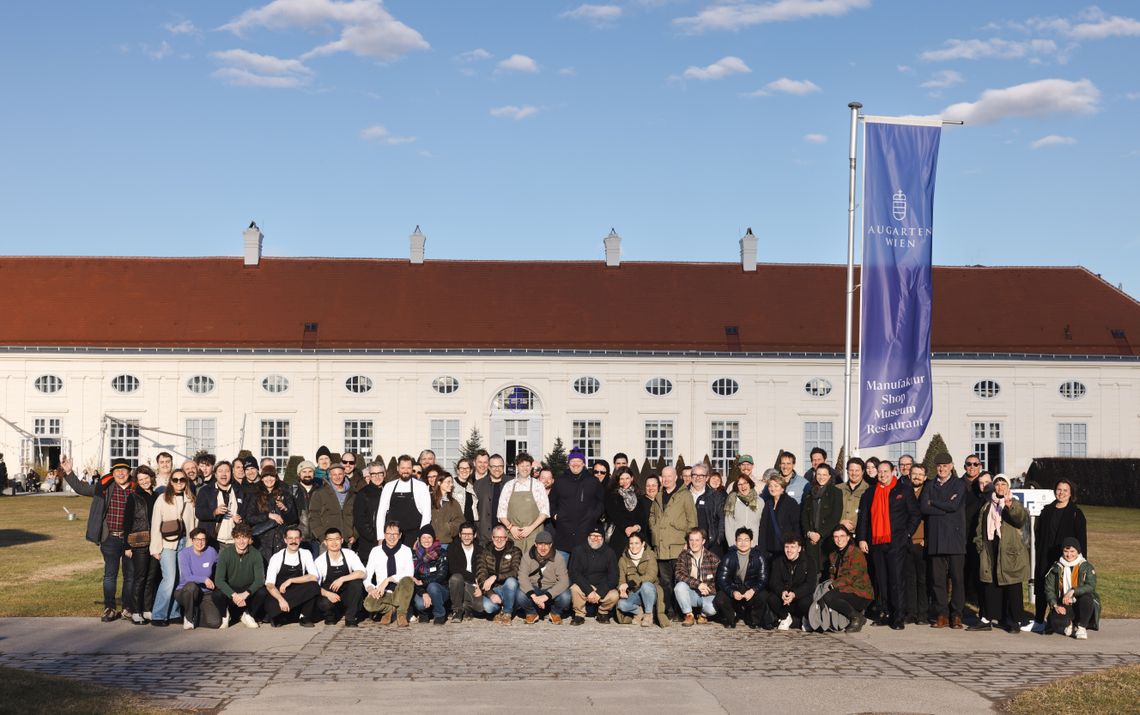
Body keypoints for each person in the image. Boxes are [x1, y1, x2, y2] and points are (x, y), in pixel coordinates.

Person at [61, 455, 136, 622]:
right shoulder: (105, 487)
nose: (121, 473)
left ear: (129, 472)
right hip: (110, 538)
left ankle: (127, 608)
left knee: (130, 575)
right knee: (110, 574)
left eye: (124, 470)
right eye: (117, 470)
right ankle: (109, 608)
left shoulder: (136, 488)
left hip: (130, 540)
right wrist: (69, 472)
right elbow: (81, 488)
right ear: (113, 473)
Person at [856, 460, 919, 630]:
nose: (882, 474)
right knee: (881, 580)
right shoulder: (869, 493)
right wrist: (862, 538)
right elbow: (863, 519)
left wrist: (907, 534)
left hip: (896, 542)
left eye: (885, 471)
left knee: (896, 580)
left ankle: (898, 615)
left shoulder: (903, 490)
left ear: (893, 471)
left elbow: (915, 514)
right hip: (876, 542)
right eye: (880, 472)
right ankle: (884, 612)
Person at [970, 473, 1029, 633]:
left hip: (1009, 552)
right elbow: (980, 529)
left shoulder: (1013, 503)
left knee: (1012, 586)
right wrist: (980, 545)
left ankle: (1014, 620)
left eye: (1003, 484)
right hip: (990, 549)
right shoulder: (987, 505)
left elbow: (1020, 519)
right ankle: (987, 618)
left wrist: (1009, 506)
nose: (1000, 487)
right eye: (997, 484)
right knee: (991, 585)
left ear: (1008, 487)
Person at [1031, 479, 1088, 632]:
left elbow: (1081, 539)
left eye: (1065, 490)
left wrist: (1082, 562)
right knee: (1043, 586)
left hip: (1066, 558)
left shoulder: (1076, 513)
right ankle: (1038, 620)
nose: (1061, 493)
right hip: (1045, 554)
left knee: (1064, 588)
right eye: (1059, 489)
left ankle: (1069, 621)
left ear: (1071, 494)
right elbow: (1039, 533)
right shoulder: (1047, 510)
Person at [921, 454, 968, 629]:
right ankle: (942, 614)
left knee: (957, 579)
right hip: (935, 537)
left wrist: (934, 502)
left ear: (951, 466)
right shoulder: (929, 485)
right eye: (939, 466)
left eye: (945, 465)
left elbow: (954, 506)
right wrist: (943, 507)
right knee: (937, 579)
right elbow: (924, 508)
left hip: (954, 538)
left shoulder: (959, 484)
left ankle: (956, 614)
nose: (942, 469)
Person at [149, 469, 197, 626]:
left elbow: (194, 524)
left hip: (186, 543)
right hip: (167, 543)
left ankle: (174, 612)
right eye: (175, 480)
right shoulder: (162, 499)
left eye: (182, 479)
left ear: (186, 481)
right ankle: (158, 614)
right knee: (169, 579)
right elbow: (155, 524)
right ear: (170, 481)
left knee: (181, 580)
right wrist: (155, 548)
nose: (179, 483)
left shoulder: (190, 499)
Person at [650, 466, 697, 620]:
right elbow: (652, 515)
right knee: (665, 582)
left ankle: (680, 611)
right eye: (664, 476)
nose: (667, 479)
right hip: (661, 547)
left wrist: (688, 543)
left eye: (669, 476)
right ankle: (669, 611)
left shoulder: (685, 495)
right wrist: (654, 527)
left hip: (678, 546)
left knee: (679, 581)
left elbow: (692, 520)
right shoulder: (658, 495)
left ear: (676, 477)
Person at [815, 525, 873, 633]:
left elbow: (852, 576)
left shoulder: (856, 553)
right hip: (844, 590)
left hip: (860, 592)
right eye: (836, 536)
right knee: (824, 595)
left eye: (842, 536)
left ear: (848, 537)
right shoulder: (833, 555)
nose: (839, 539)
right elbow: (832, 575)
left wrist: (833, 586)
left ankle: (856, 618)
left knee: (829, 597)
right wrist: (829, 584)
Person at [549, 448, 604, 560]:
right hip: (563, 534)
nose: (575, 464)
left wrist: (593, 517)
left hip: (585, 534)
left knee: (582, 572)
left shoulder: (592, 481)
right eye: (572, 461)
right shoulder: (560, 481)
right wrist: (556, 516)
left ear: (583, 463)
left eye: (579, 461)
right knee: (561, 573)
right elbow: (552, 502)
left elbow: (601, 502)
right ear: (568, 463)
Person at [262, 526, 321, 627]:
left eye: (296, 538)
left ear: (301, 539)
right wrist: (281, 600)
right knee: (271, 603)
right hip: (281, 594)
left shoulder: (305, 554)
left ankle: (304, 617)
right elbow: (270, 585)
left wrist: (291, 580)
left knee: (313, 586)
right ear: (285, 540)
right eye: (290, 538)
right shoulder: (277, 557)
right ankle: (285, 614)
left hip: (298, 592)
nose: (293, 541)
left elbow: (314, 576)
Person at [211, 523, 268, 629]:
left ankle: (249, 614)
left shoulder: (256, 554)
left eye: (244, 537)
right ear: (234, 538)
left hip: (248, 589)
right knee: (216, 594)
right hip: (231, 588)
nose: (241, 541)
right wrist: (234, 595)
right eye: (238, 538)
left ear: (249, 539)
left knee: (262, 592)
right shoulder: (225, 554)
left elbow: (260, 580)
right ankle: (225, 615)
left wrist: (245, 594)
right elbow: (219, 580)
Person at [1043, 537, 1100, 639]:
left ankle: (1081, 627)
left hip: (1080, 600)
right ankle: (1069, 623)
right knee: (1057, 622)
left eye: (1072, 551)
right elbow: (1049, 589)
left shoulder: (1086, 567)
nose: (1069, 555)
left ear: (1078, 551)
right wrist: (1055, 605)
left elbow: (1091, 586)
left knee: (1086, 598)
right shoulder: (1056, 568)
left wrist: (1073, 591)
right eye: (1066, 551)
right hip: (1064, 601)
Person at [713, 527, 768, 629]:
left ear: (751, 542)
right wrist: (732, 592)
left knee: (763, 596)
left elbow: (763, 579)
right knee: (720, 598)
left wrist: (753, 590)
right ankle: (731, 619)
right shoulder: (728, 557)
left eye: (746, 540)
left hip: (750, 589)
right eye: (740, 540)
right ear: (736, 542)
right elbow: (722, 579)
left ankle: (753, 619)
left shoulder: (759, 557)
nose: (743, 543)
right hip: (734, 588)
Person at [364, 522, 416, 626]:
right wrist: (370, 588)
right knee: (368, 604)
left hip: (399, 591)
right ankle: (388, 609)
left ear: (400, 535)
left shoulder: (406, 550)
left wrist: (388, 579)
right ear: (384, 534)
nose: (392, 537)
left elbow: (409, 574)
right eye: (388, 533)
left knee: (407, 581)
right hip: (382, 592)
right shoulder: (375, 551)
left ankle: (401, 614)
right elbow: (367, 575)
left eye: (395, 534)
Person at [243, 467, 298, 565]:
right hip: (261, 542)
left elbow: (294, 519)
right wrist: (268, 515)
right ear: (262, 478)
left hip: (280, 541)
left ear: (276, 478)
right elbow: (249, 518)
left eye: (272, 476)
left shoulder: (285, 494)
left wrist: (285, 509)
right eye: (266, 476)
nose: (269, 479)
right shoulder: (255, 495)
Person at [313, 528, 367, 627]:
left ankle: (350, 618)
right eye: (330, 540)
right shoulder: (319, 561)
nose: (334, 542)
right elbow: (313, 585)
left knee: (356, 583)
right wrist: (328, 594)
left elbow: (362, 572)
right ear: (325, 542)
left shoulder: (349, 554)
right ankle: (331, 616)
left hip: (346, 595)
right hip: (330, 596)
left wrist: (342, 579)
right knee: (324, 603)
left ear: (341, 540)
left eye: (337, 539)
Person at [497, 453, 549, 553]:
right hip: (513, 534)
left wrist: (530, 528)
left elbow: (544, 512)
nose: (525, 468)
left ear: (531, 467)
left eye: (528, 465)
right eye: (522, 465)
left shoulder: (538, 486)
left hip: (534, 533)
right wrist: (511, 528)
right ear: (517, 467)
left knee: (532, 564)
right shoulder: (508, 486)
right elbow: (501, 513)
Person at [127, 466, 160, 625]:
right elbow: (126, 522)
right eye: (141, 479)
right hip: (139, 543)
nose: (144, 481)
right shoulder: (133, 497)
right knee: (140, 577)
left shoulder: (158, 496)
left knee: (151, 577)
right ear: (137, 482)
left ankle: (147, 609)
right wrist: (126, 547)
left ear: (151, 478)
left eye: (146, 478)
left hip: (156, 542)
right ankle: (135, 611)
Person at [569, 524, 620, 625]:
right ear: (588, 537)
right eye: (593, 535)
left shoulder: (609, 552)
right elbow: (574, 573)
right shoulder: (578, 550)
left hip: (602, 586)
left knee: (614, 595)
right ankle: (579, 614)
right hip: (585, 585)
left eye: (599, 536)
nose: (595, 538)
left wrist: (599, 593)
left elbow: (613, 577)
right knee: (575, 588)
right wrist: (589, 591)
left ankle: (602, 613)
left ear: (603, 538)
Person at [765, 534, 817, 631]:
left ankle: (805, 618)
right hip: (784, 599)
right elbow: (773, 581)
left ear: (799, 548)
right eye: (786, 547)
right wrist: (782, 591)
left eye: (793, 547)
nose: (789, 550)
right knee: (771, 598)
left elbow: (810, 585)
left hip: (799, 597)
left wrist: (795, 594)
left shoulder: (809, 561)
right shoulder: (778, 561)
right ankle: (785, 617)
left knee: (806, 602)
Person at [518, 530, 571, 624]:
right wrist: (533, 596)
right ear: (535, 544)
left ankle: (555, 613)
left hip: (551, 588)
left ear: (551, 545)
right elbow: (522, 577)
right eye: (540, 544)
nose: (543, 548)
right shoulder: (527, 557)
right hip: (533, 587)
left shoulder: (558, 558)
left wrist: (547, 596)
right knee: (520, 595)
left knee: (566, 596)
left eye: (546, 544)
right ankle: (531, 613)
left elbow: (564, 581)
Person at [379, 455, 432, 547]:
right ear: (398, 468)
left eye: (408, 468)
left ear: (412, 469)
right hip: (393, 537)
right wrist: (380, 537)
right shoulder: (389, 486)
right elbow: (381, 513)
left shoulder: (421, 486)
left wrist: (421, 537)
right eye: (403, 468)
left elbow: (427, 514)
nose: (406, 471)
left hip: (414, 537)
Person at [174, 528, 222, 629]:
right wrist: (204, 579)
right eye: (197, 539)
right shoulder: (184, 554)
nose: (200, 542)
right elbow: (187, 577)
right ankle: (188, 617)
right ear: (192, 540)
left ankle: (197, 614)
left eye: (203, 539)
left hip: (205, 592)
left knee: (215, 623)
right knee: (192, 587)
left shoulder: (211, 551)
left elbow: (221, 564)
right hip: (185, 591)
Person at [801, 463, 843, 578]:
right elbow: (804, 515)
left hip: (826, 539)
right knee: (811, 573)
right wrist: (809, 533)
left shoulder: (836, 493)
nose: (821, 477)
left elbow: (835, 517)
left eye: (824, 474)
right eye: (819, 474)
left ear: (829, 476)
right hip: (811, 539)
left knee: (826, 572)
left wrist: (820, 534)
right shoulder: (809, 492)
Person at [616, 532, 666, 627]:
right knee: (621, 605)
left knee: (646, 585)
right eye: (631, 543)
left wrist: (631, 583)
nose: (633, 546)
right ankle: (639, 612)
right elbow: (621, 580)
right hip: (634, 591)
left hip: (650, 591)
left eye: (636, 543)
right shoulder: (623, 559)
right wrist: (622, 589)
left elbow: (651, 576)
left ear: (643, 544)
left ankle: (648, 614)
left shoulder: (650, 555)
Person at [475, 524, 522, 623]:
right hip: (494, 589)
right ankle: (499, 611)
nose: (499, 540)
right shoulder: (483, 553)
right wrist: (491, 594)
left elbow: (516, 571)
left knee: (511, 581)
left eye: (502, 537)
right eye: (496, 537)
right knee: (488, 607)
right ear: (492, 538)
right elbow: (481, 575)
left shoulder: (515, 551)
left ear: (506, 538)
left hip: (510, 589)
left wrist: (495, 577)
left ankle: (507, 613)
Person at [674, 527, 719, 626]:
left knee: (712, 609)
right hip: (691, 593)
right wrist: (698, 584)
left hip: (707, 594)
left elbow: (719, 582)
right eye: (691, 540)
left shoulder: (713, 558)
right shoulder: (683, 555)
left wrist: (708, 589)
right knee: (679, 587)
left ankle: (703, 616)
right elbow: (679, 573)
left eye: (697, 540)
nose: (694, 543)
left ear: (703, 541)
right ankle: (689, 615)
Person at [904, 463, 931, 625]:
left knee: (923, 579)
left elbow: (931, 519)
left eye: (920, 474)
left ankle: (923, 613)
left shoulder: (928, 493)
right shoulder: (904, 492)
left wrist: (926, 539)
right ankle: (911, 612)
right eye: (914, 473)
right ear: (909, 475)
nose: (917, 477)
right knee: (909, 578)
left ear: (925, 477)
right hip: (906, 542)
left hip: (922, 542)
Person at [195, 461, 244, 549]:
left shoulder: (239, 491)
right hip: (213, 541)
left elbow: (246, 513)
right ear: (215, 474)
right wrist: (214, 512)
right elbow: (199, 512)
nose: (224, 474)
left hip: (234, 542)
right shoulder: (205, 491)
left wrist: (240, 519)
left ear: (231, 473)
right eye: (220, 471)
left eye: (227, 471)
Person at [309, 462, 356, 551]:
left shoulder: (352, 493)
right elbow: (313, 516)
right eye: (334, 474)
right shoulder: (320, 493)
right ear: (330, 476)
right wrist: (322, 537)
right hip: (328, 540)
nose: (337, 477)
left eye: (340, 474)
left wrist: (355, 535)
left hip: (347, 540)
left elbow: (357, 515)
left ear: (344, 474)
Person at [605, 466, 650, 556]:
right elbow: (614, 515)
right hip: (618, 534)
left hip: (636, 536)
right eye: (621, 479)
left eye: (627, 478)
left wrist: (636, 527)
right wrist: (626, 527)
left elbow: (643, 516)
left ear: (632, 478)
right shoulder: (612, 495)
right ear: (617, 480)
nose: (625, 481)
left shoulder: (639, 495)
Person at [410, 525, 449, 624]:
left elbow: (441, 575)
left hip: (440, 589)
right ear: (419, 539)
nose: (426, 540)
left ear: (433, 539)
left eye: (429, 537)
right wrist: (423, 593)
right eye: (423, 537)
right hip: (422, 589)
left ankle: (440, 614)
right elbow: (414, 578)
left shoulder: (441, 553)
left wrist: (423, 582)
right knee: (419, 604)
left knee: (432, 587)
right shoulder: (414, 555)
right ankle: (424, 613)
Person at [446, 522, 482, 622]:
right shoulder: (453, 548)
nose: (466, 537)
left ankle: (467, 607)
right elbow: (454, 569)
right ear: (459, 535)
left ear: (474, 535)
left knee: (481, 607)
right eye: (464, 534)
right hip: (458, 583)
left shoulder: (480, 550)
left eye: (469, 534)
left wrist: (481, 584)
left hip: (474, 585)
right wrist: (474, 578)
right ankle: (457, 611)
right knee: (456, 577)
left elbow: (483, 569)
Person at [724, 474, 766, 559]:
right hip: (738, 545)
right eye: (740, 484)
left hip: (754, 544)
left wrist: (760, 544)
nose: (743, 486)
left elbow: (763, 524)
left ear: (750, 484)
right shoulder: (732, 501)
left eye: (745, 483)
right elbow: (728, 525)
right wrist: (732, 545)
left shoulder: (760, 501)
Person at [689, 463, 727, 556]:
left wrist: (718, 539)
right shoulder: (683, 495)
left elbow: (722, 519)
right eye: (695, 475)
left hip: (711, 545)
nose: (697, 478)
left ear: (706, 478)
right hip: (690, 544)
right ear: (691, 477)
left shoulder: (716, 496)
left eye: (701, 475)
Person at [764, 470, 800, 561]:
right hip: (769, 548)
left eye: (776, 486)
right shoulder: (768, 503)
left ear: (782, 488)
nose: (773, 488)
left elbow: (796, 526)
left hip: (784, 548)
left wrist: (796, 545)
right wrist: (762, 548)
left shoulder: (791, 503)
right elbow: (763, 526)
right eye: (770, 486)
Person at [353, 462, 386, 563]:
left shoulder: (388, 490)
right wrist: (375, 537)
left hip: (389, 539)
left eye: (380, 473)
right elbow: (360, 521)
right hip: (370, 543)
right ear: (369, 475)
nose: (377, 477)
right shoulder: (363, 494)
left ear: (384, 474)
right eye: (373, 474)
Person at [474, 454, 508, 544]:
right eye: (494, 466)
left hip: (507, 535)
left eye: (500, 466)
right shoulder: (478, 485)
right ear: (489, 467)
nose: (497, 469)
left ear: (503, 467)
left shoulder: (511, 483)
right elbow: (473, 509)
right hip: (484, 537)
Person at [289, 460, 321, 554]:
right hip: (299, 538)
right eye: (304, 472)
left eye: (310, 471)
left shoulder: (320, 490)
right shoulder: (292, 490)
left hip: (317, 538)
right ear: (299, 474)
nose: (307, 474)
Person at [431, 472, 464, 547]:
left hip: (445, 543)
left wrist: (448, 528)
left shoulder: (454, 502)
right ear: (439, 483)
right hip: (428, 543)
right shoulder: (429, 499)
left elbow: (460, 521)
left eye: (452, 482)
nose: (451, 484)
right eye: (448, 482)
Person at [838, 458, 871, 532]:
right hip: (839, 533)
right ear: (847, 471)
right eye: (851, 470)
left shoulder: (869, 490)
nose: (854, 473)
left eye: (857, 470)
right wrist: (840, 522)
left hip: (859, 534)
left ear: (862, 472)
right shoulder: (837, 489)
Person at [452, 458, 478, 525]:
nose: (464, 470)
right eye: (461, 468)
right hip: (457, 525)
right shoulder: (451, 484)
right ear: (458, 470)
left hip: (470, 525)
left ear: (471, 471)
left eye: (467, 468)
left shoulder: (471, 487)